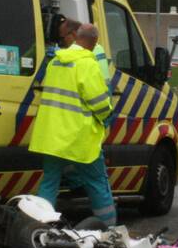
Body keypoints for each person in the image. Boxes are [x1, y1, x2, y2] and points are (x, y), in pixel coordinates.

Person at [29, 23, 117, 226]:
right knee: (97, 183)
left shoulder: (55, 61)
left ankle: (39, 228)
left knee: (49, 183)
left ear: (76, 37)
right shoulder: (88, 64)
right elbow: (98, 102)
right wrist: (107, 116)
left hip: (51, 136)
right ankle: (109, 230)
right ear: (94, 43)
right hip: (80, 138)